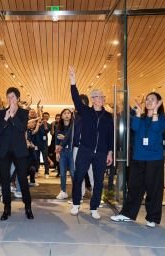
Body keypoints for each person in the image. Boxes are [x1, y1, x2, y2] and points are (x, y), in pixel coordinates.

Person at [110, 93, 165, 227]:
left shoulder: (162, 118)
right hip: (138, 158)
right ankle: (127, 214)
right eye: (148, 99)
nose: (149, 101)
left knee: (153, 189)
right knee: (134, 188)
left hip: (154, 159)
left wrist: (155, 112)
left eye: (153, 99)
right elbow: (134, 128)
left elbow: (155, 128)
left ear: (159, 102)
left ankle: (152, 218)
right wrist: (139, 111)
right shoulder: (139, 117)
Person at [68, 66, 113, 220]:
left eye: (103, 96)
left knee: (99, 182)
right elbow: (75, 99)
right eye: (99, 97)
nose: (102, 99)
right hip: (84, 151)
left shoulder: (108, 116)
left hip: (101, 153)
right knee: (79, 177)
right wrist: (73, 81)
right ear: (93, 99)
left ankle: (94, 207)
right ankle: (76, 204)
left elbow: (110, 135)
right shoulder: (86, 112)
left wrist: (110, 152)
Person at [0, 87, 33, 220]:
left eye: (12, 96)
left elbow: (22, 128)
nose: (10, 99)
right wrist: (5, 118)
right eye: (8, 96)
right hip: (4, 151)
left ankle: (28, 206)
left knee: (22, 178)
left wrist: (12, 117)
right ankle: (7, 208)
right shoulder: (2, 113)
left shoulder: (23, 112)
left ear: (18, 98)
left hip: (20, 150)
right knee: (4, 180)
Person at [55, 109, 74, 199]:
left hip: (72, 151)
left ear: (71, 115)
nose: (67, 115)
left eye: (68, 113)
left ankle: (75, 191)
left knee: (73, 172)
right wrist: (57, 153)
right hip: (62, 152)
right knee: (62, 172)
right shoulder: (58, 127)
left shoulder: (74, 126)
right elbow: (56, 141)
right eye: (64, 113)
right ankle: (63, 191)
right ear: (61, 116)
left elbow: (76, 140)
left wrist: (64, 138)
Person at [32, 111, 51, 179]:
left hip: (44, 145)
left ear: (48, 118)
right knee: (36, 158)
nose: (45, 117)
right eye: (44, 116)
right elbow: (35, 129)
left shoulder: (49, 125)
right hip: (37, 143)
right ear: (42, 117)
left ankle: (46, 172)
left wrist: (45, 124)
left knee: (45, 158)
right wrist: (40, 123)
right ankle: (36, 171)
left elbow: (46, 131)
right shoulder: (38, 124)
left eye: (47, 116)